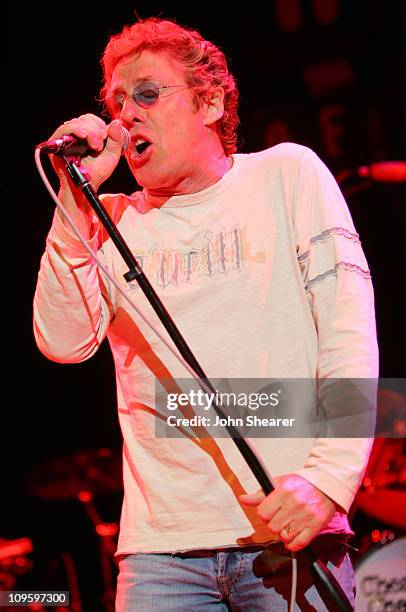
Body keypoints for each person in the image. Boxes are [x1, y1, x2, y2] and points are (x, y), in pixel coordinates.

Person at [33, 16, 379, 611]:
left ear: (211, 101)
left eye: (147, 94)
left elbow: (349, 338)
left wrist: (328, 480)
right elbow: (63, 342)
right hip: (160, 554)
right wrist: (74, 202)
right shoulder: (106, 220)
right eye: (116, 102)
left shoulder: (286, 174)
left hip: (287, 532)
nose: (126, 115)